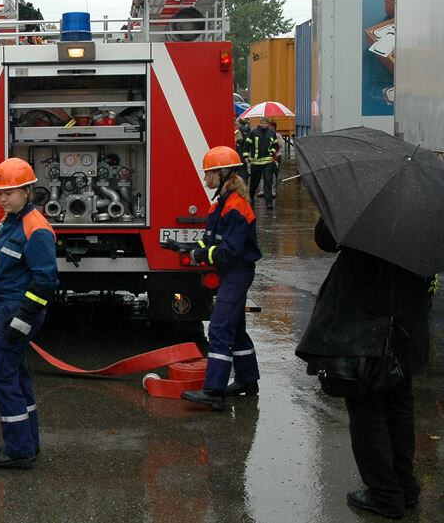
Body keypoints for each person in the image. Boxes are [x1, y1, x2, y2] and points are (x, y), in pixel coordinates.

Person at [296, 218, 434, 519]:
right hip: (408, 315)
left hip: (367, 322)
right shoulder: (424, 202)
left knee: (367, 406)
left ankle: (385, 494)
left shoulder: (360, 200)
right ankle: (404, 487)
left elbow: (325, 238)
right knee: (399, 400)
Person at [0, 157, 58, 468]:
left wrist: (23, 318)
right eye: (0, 193)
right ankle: (28, 441)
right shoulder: (11, 221)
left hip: (16, 311)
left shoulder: (35, 228)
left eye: (9, 193)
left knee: (0, 376)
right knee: (16, 374)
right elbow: (6, 266)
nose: (3, 198)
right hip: (4, 307)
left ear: (28, 191)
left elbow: (45, 280)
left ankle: (19, 450)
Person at [181, 146, 262, 411]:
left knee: (219, 328)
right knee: (236, 328)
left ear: (224, 173)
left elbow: (229, 252)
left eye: (209, 175)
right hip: (232, 272)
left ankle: (214, 390)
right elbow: (213, 240)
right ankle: (247, 382)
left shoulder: (236, 207)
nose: (206, 180)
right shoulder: (222, 203)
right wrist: (190, 250)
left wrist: (201, 255)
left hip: (236, 273)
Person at [242, 116, 280, 210]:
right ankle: (251, 197)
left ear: (268, 124)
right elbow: (247, 145)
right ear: (260, 123)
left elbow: (275, 144)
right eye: (263, 123)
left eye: (266, 124)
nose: (264, 125)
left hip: (268, 161)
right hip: (256, 162)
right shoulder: (254, 132)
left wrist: (272, 152)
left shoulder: (271, 133)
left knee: (268, 182)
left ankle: (269, 202)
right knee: (254, 182)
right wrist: (246, 156)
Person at [233, 117, 251, 182]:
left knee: (241, 172)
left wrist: (237, 142)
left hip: (239, 153)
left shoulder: (239, 131)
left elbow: (240, 141)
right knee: (244, 171)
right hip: (244, 153)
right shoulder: (247, 130)